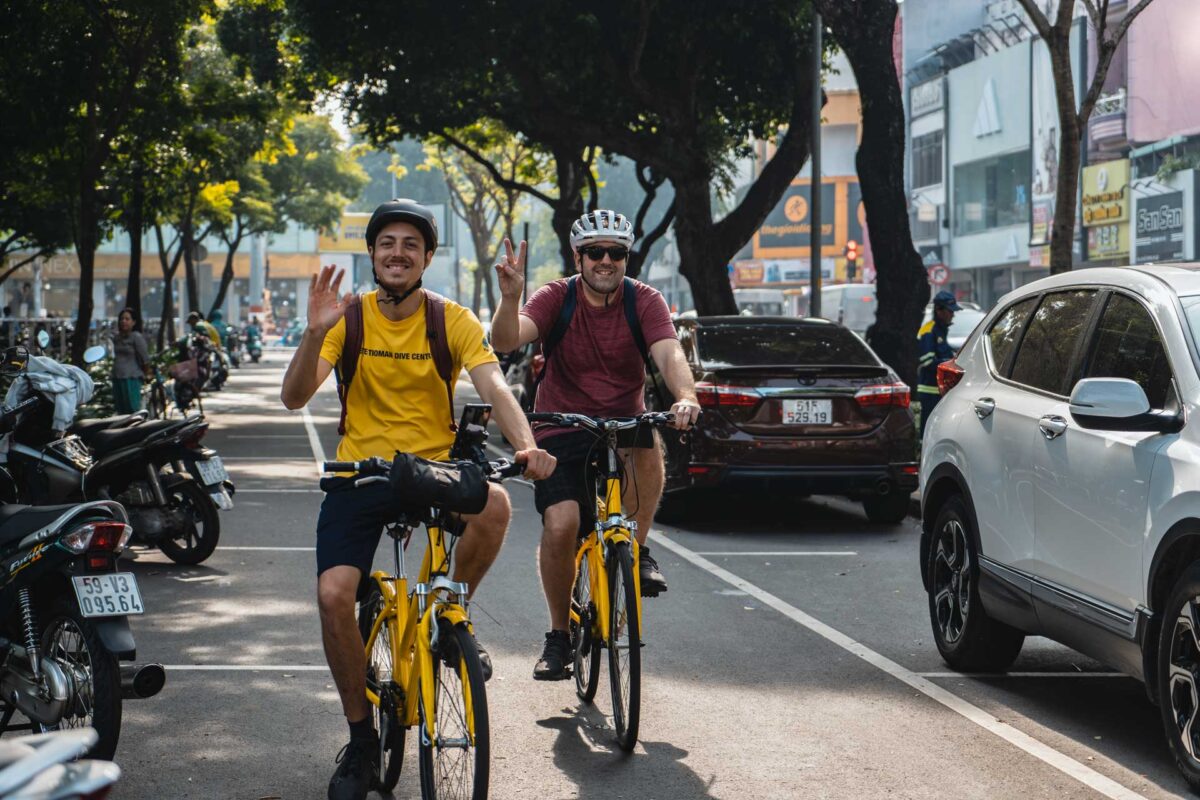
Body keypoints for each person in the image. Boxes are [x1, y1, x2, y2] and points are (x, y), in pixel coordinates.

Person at [280, 198, 555, 800]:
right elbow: (295, 398)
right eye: (387, 243)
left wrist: (528, 445)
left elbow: (494, 387)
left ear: (428, 257)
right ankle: (360, 741)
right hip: (360, 473)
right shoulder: (347, 320)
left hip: (433, 470)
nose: (397, 252)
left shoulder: (449, 318)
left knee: (498, 507)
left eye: (411, 243)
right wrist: (312, 333)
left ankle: (453, 614)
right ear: (373, 256)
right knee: (333, 595)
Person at [489, 209, 701, 682]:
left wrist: (686, 396)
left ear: (627, 258)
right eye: (596, 252)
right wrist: (509, 299)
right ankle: (558, 636)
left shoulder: (644, 300)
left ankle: (637, 551)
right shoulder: (555, 297)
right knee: (562, 523)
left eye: (617, 253)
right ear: (578, 257)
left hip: (623, 422)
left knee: (648, 444)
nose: (606, 261)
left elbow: (669, 353)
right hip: (562, 425)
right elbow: (505, 340)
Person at [917, 290, 960, 437]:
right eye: (950, 311)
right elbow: (928, 362)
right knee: (929, 430)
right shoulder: (929, 331)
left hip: (939, 390)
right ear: (939, 310)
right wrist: (952, 363)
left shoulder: (941, 331)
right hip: (930, 391)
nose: (953, 314)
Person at [112, 308, 150, 414]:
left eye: (127, 319)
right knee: (120, 410)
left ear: (133, 322)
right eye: (122, 319)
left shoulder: (136, 337)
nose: (124, 321)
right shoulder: (116, 338)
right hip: (117, 377)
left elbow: (145, 359)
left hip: (131, 378)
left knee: (132, 410)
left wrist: (146, 375)